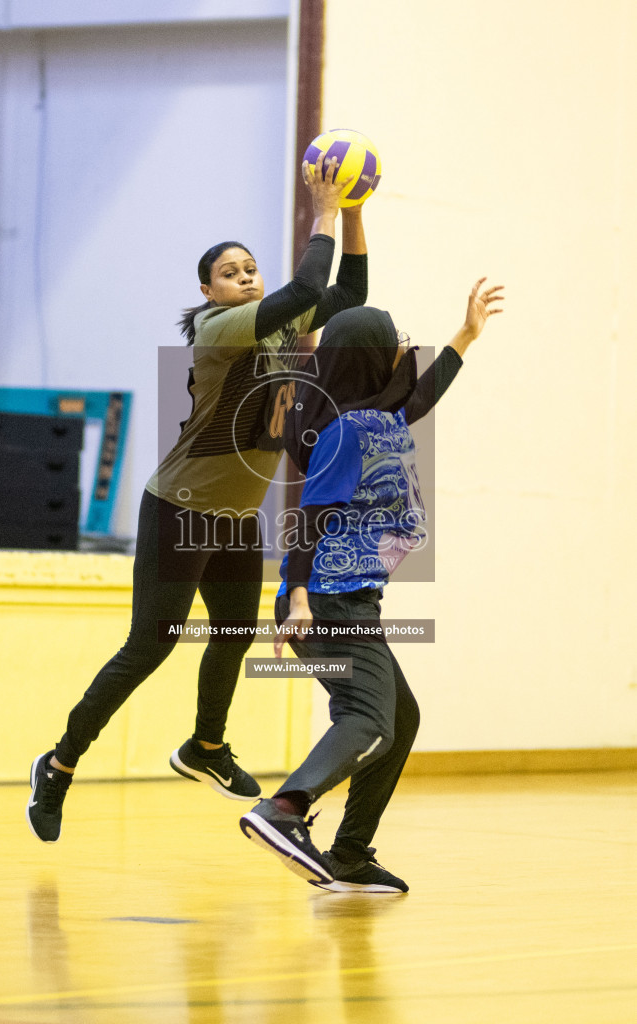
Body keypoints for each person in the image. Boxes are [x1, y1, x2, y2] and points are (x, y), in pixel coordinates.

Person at [26, 153, 369, 843]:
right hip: (180, 507)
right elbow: (306, 285)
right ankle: (59, 765)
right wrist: (324, 210)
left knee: (236, 632)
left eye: (251, 268)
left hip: (237, 519)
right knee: (149, 647)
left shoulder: (274, 325)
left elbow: (350, 291)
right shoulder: (221, 329)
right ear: (210, 291)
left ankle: (204, 748)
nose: (245, 275)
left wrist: (356, 208)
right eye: (230, 272)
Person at [240, 279, 505, 892]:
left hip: (352, 601)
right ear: (368, 355)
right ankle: (283, 810)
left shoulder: (377, 418)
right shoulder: (347, 433)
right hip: (325, 602)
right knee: (372, 721)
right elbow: (305, 519)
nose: (405, 349)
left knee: (400, 718)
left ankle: (350, 854)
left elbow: (422, 397)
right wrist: (298, 601)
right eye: (396, 341)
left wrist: (465, 337)